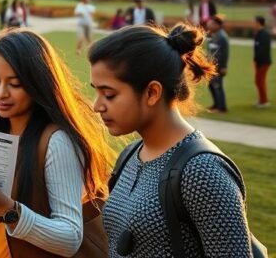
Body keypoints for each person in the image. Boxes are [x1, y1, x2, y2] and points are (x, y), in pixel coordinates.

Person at [89, 24, 252, 256]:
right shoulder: (130, 154)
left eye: (109, 94)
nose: (97, 106)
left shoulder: (201, 171)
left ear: (152, 92)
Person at [0, 29, 111, 256]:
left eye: (14, 84)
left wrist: (5, 208)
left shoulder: (56, 142)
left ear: (38, 85)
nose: (0, 93)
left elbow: (70, 237)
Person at [206, 15, 229, 113]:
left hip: (218, 66)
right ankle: (216, 104)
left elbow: (225, 53)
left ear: (217, 25)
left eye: (211, 23)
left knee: (217, 86)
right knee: (211, 85)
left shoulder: (222, 37)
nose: (209, 25)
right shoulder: (213, 34)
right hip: (212, 66)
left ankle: (221, 108)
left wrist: (224, 66)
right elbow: (211, 49)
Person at [253, 15, 272, 109]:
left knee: (260, 81)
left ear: (258, 23)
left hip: (263, 62)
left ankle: (264, 101)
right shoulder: (259, 33)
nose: (253, 24)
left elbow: (263, 50)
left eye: (255, 22)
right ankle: (262, 99)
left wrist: (257, 60)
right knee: (259, 81)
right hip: (259, 62)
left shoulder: (264, 34)